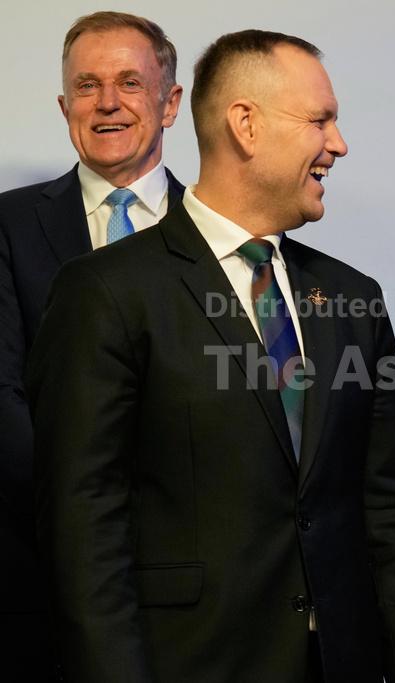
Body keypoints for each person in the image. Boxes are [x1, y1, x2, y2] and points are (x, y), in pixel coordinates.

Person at [28, 30, 395, 683]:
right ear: (245, 125)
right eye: (320, 120)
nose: (338, 144)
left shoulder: (352, 297)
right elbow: (84, 528)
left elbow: (392, 514)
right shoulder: (106, 291)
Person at [0, 11, 183, 678]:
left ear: (170, 103)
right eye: (87, 85)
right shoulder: (8, 225)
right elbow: (4, 397)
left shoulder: (222, 234)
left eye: (130, 82)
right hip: (39, 581)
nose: (107, 102)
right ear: (64, 106)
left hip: (196, 585)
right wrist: (87, 517)